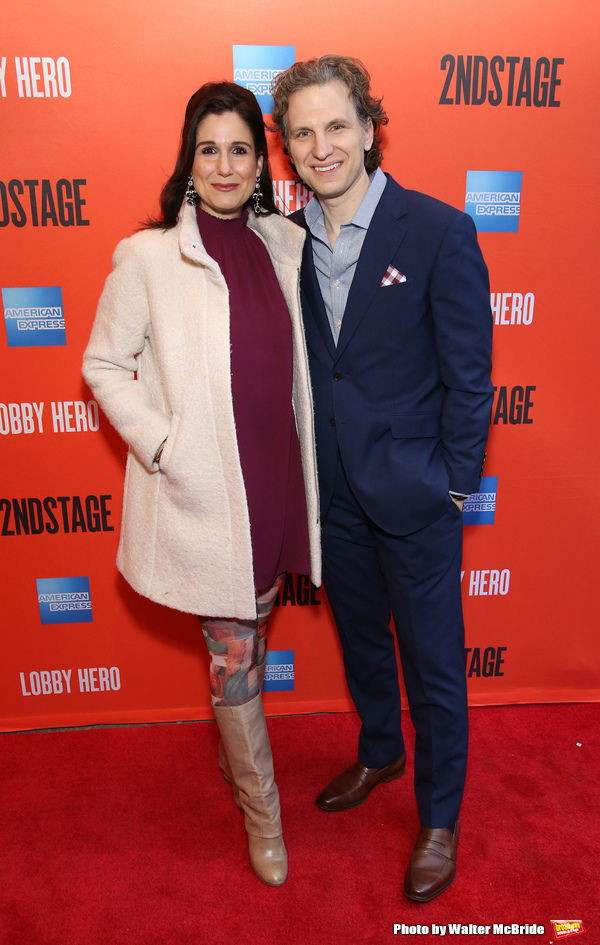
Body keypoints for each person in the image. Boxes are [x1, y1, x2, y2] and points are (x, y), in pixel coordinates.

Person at [82, 82, 321, 887]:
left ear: (262, 163)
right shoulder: (148, 256)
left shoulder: (285, 243)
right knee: (236, 660)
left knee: (254, 632)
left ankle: (235, 757)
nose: (224, 164)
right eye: (209, 147)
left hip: (277, 481)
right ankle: (266, 816)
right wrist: (161, 442)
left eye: (241, 149)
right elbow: (104, 365)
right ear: (190, 159)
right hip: (206, 491)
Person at [271, 55, 493, 901]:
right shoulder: (285, 241)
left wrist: (453, 485)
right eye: (302, 132)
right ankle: (379, 751)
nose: (320, 145)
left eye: (336, 125)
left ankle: (440, 815)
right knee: (362, 640)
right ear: (287, 149)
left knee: (434, 662)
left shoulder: (439, 231)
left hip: (415, 491)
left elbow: (471, 375)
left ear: (369, 128)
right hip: (331, 494)